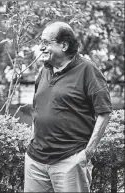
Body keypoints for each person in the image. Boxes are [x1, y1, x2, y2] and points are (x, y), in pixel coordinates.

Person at [24, 21, 112, 192]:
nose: (40, 47)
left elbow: (104, 112)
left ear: (64, 45)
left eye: (46, 42)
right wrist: (33, 139)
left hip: (69, 160)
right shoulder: (44, 71)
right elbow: (38, 108)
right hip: (36, 161)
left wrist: (87, 153)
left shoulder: (88, 70)